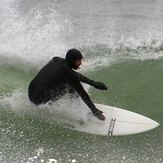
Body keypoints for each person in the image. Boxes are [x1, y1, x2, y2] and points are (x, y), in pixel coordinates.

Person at [28, 49, 107, 121]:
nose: (80, 63)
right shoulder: (69, 74)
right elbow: (82, 93)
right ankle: (77, 110)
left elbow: (75, 75)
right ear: (73, 61)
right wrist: (94, 110)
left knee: (69, 81)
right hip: (39, 100)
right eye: (78, 61)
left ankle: (76, 107)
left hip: (31, 92)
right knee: (71, 86)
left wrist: (93, 83)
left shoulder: (56, 59)